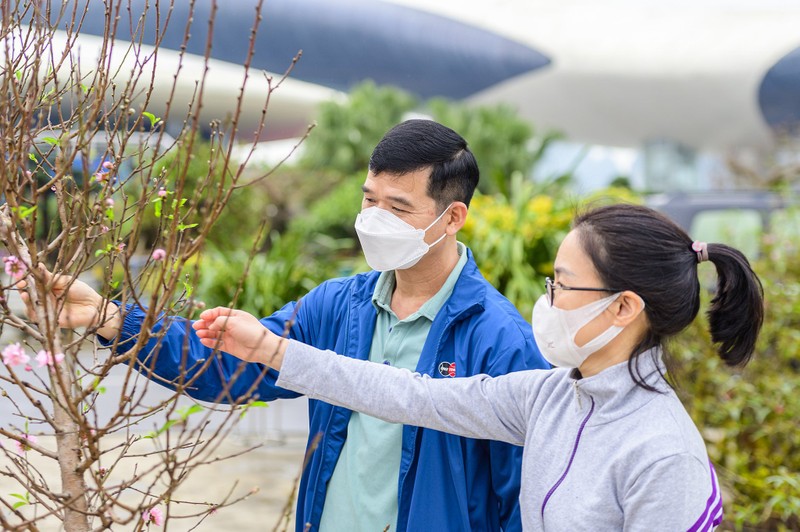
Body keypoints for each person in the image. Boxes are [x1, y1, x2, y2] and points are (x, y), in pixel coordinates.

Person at [36, 120, 548, 531]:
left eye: (398, 207)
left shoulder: (500, 341)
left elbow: (521, 500)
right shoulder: (339, 305)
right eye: (370, 199)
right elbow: (229, 363)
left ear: (452, 216)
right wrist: (108, 318)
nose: (373, 217)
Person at [192, 203, 764, 530]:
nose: (547, 299)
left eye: (562, 284)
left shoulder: (662, 453)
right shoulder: (549, 397)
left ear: (623, 306)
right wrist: (270, 349)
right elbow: (409, 395)